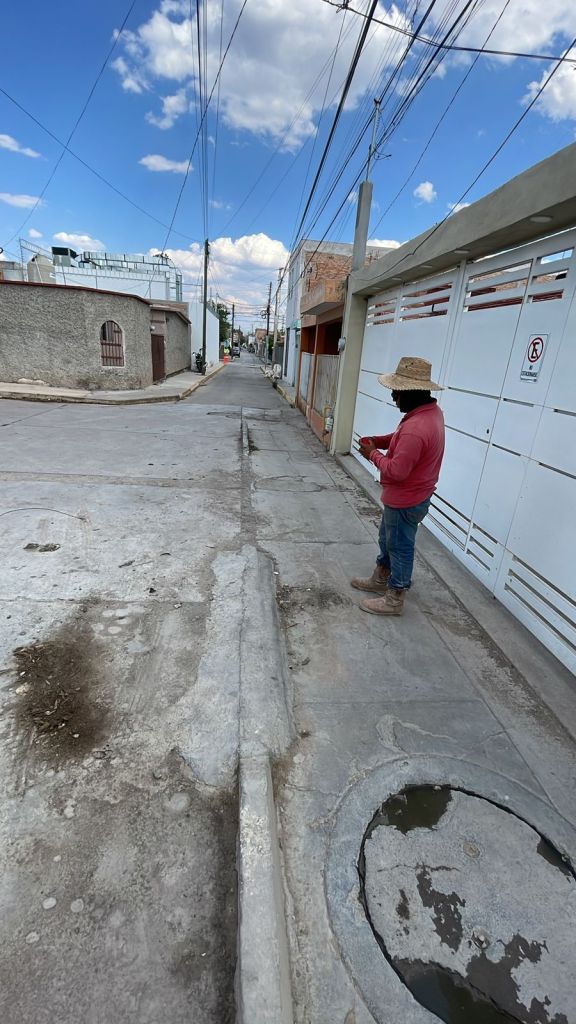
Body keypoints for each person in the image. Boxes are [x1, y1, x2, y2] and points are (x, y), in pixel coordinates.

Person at [351, 355, 445, 617]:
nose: (393, 398)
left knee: (400, 546)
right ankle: (381, 577)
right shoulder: (428, 413)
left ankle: (394, 598)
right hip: (410, 496)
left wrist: (372, 454)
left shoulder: (417, 426)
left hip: (406, 498)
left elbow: (397, 470)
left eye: (396, 392)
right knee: (388, 538)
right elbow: (400, 440)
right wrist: (379, 442)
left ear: (412, 392)